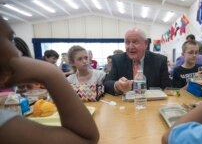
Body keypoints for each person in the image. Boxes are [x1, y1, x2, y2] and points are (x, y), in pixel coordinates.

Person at [0, 16, 99, 144]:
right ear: (72, 62)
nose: (16, 52)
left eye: (11, 40)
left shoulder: (98, 74)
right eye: (9, 40)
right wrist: (51, 73)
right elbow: (87, 139)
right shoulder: (69, 78)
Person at [104, 28, 171, 95]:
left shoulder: (160, 61)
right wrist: (117, 85)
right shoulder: (118, 60)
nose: (130, 47)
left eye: (135, 42)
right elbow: (106, 84)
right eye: (127, 42)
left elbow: (167, 88)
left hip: (151, 103)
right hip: (125, 104)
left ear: (145, 44)